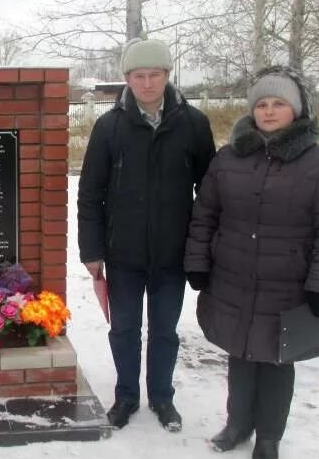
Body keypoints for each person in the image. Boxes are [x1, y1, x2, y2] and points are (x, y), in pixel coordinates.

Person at [184, 65, 319, 459]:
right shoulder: (229, 159)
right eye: (262, 104)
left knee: (277, 359)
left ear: (296, 110)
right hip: (233, 277)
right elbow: (204, 214)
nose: (269, 111)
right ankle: (237, 425)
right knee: (240, 353)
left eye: (279, 103)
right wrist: (198, 262)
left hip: (288, 283)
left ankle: (270, 436)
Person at [77, 36, 216, 431]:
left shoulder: (193, 124)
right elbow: (90, 195)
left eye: (155, 75)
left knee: (165, 330)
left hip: (173, 253)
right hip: (124, 253)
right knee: (123, 328)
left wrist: (202, 248)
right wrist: (92, 250)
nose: (148, 83)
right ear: (127, 79)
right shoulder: (110, 127)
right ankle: (126, 397)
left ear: (168, 76)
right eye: (139, 76)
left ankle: (162, 397)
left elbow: (210, 193)